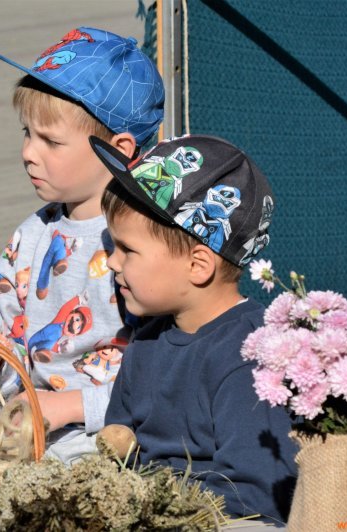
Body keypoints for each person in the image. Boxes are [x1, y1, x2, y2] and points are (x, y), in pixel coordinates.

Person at [0, 27, 164, 463]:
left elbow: (166, 378)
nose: (28, 153)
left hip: (114, 447)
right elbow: (5, 338)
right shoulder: (31, 236)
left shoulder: (145, 245)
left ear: (118, 149)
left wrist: (72, 406)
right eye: (27, 133)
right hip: (30, 440)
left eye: (51, 141)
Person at [91, 134, 298, 522]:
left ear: (198, 266)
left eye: (127, 250)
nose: (112, 263)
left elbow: (256, 494)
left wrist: (154, 510)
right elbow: (118, 443)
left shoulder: (250, 357)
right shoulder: (147, 341)